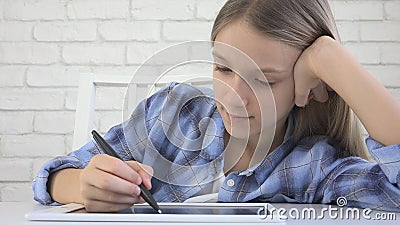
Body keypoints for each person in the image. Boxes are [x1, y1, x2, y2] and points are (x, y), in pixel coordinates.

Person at [33, 0, 400, 213]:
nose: (233, 96)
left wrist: (331, 60)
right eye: (223, 68)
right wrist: (83, 185)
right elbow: (55, 175)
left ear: (311, 87)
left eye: (263, 80)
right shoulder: (173, 113)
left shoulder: (316, 166)